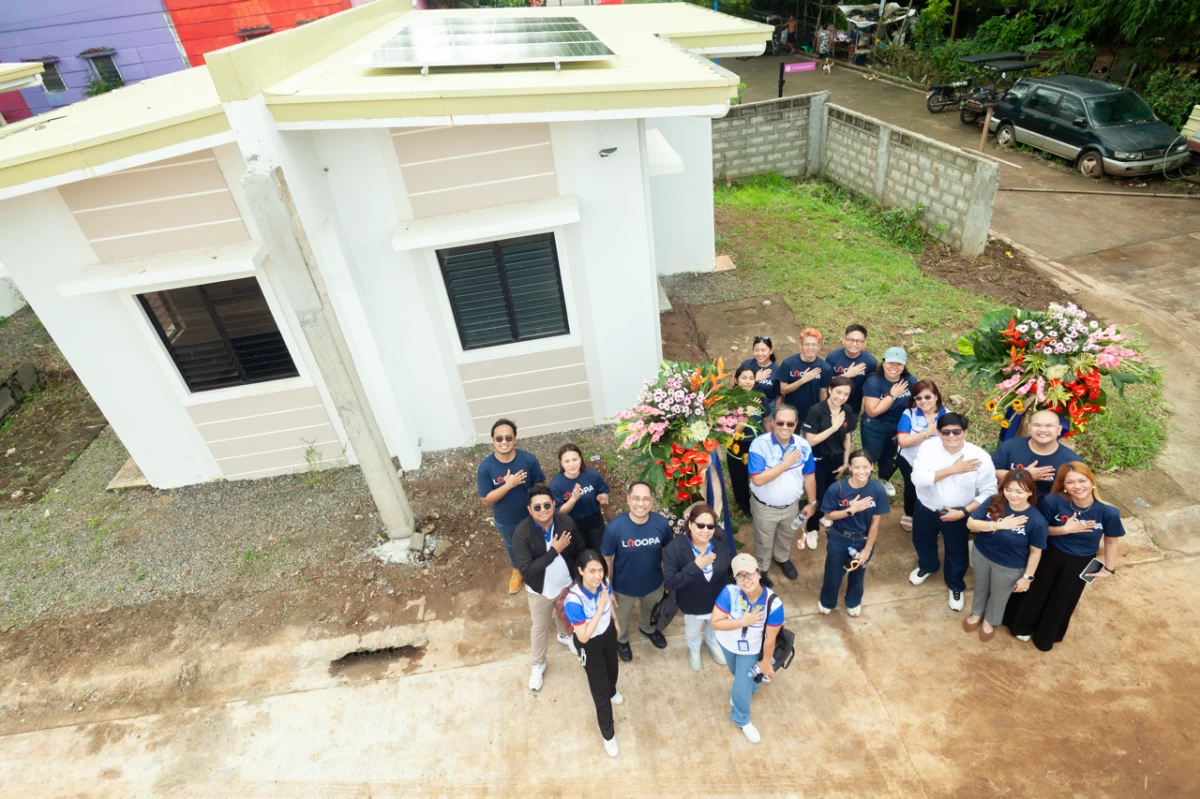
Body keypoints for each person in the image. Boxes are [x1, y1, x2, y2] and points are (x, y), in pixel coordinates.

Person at [1004, 462, 1125, 652]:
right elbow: (1037, 532)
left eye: (1082, 480)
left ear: (1092, 482)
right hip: (1051, 554)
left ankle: (1046, 636)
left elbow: (1111, 541)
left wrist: (1109, 568)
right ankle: (1021, 626)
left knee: (1064, 599)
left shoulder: (1109, 512)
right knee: (1037, 592)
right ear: (1064, 485)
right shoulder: (1053, 502)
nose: (1077, 486)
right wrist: (1064, 530)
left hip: (1083, 561)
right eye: (1070, 482)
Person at [909, 413, 998, 612]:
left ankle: (955, 584)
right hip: (926, 508)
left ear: (965, 432)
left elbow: (989, 492)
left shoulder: (980, 457)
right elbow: (918, 479)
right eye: (945, 432)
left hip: (959, 513)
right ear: (939, 433)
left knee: (957, 551)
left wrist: (964, 511)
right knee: (922, 540)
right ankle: (927, 566)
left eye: (956, 431)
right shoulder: (928, 448)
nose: (951, 436)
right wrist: (952, 469)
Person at [964, 470, 1047, 642]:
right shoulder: (994, 501)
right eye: (1009, 489)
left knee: (1000, 594)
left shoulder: (1036, 520)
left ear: (1030, 492)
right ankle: (977, 612)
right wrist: (999, 525)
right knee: (981, 586)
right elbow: (971, 523)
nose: (1013, 495)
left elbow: (1035, 551)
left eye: (1020, 491)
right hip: (982, 553)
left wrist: (1028, 577)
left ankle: (990, 620)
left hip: (1010, 565)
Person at [513, 486, 582, 691]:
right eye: (537, 507)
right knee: (540, 628)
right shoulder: (521, 534)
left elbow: (579, 551)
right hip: (540, 591)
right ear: (529, 509)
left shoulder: (566, 522)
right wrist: (554, 551)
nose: (543, 509)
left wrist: (579, 580)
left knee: (565, 616)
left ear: (553, 504)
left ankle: (566, 637)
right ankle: (538, 664)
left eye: (546, 505)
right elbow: (528, 571)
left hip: (567, 585)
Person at [711, 553, 784, 744]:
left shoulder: (773, 604)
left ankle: (741, 718)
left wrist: (766, 662)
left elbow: (770, 639)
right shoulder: (729, 592)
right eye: (740, 576)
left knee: (741, 685)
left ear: (759, 573)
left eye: (750, 574)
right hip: (727, 643)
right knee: (737, 673)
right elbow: (715, 623)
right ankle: (754, 683)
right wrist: (743, 621)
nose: (746, 579)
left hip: (751, 650)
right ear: (734, 578)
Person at [600, 482, 673, 661]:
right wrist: (607, 588)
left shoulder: (661, 524)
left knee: (649, 610)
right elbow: (607, 560)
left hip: (653, 583)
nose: (641, 504)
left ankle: (647, 628)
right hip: (623, 587)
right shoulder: (615, 528)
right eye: (636, 498)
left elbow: (667, 552)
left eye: (646, 499)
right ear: (628, 499)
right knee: (622, 618)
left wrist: (669, 577)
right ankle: (622, 640)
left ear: (652, 501)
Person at [563, 549, 623, 758]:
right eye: (591, 571)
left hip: (606, 633)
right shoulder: (573, 601)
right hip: (589, 643)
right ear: (580, 571)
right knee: (599, 691)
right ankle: (608, 734)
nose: (597, 576)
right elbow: (584, 636)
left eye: (600, 570)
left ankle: (613, 690)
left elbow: (608, 600)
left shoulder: (603, 582)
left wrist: (614, 621)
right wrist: (599, 609)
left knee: (613, 669)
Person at [747, 405, 818, 578]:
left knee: (786, 536)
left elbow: (809, 476)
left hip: (791, 506)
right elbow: (758, 479)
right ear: (772, 423)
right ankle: (762, 568)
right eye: (780, 423)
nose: (785, 427)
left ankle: (782, 558)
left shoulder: (803, 445)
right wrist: (785, 464)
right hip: (765, 508)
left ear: (795, 425)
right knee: (763, 541)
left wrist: (812, 503)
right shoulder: (759, 445)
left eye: (789, 423)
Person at [817, 449, 889, 616]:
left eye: (865, 467)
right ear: (850, 467)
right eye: (857, 467)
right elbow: (828, 514)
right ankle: (827, 600)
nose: (861, 471)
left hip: (863, 539)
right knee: (833, 572)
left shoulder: (877, 491)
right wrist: (850, 510)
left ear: (872, 467)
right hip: (839, 538)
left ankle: (853, 600)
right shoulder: (837, 489)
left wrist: (867, 549)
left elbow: (875, 523)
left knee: (859, 571)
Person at [477, 418, 546, 593]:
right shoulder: (486, 468)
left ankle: (542, 568)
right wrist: (509, 485)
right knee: (513, 545)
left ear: (515, 439)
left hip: (533, 516)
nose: (504, 442)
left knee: (538, 541)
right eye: (499, 438)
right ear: (492, 440)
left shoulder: (528, 460)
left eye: (508, 438)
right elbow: (485, 500)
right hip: (506, 520)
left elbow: (541, 485)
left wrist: (539, 508)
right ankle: (519, 570)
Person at [663, 504, 734, 671]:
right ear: (690, 524)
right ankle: (694, 648)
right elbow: (670, 582)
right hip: (693, 602)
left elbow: (729, 562)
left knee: (714, 625)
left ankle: (712, 642)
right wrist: (695, 566)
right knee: (693, 630)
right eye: (700, 525)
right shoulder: (674, 548)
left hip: (718, 599)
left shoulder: (720, 538)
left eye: (710, 526)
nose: (706, 530)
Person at [803, 375, 857, 534]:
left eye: (846, 394)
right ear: (830, 389)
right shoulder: (816, 411)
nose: (841, 397)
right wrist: (833, 428)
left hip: (837, 460)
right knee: (816, 496)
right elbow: (810, 441)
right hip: (818, 460)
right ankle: (811, 529)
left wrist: (846, 462)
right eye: (838, 392)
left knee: (830, 493)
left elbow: (847, 437)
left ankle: (823, 517)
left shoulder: (847, 410)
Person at [861, 347, 917, 499]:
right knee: (871, 455)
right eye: (891, 362)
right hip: (875, 425)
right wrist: (892, 395)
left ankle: (883, 479)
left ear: (904, 366)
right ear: (884, 362)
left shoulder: (910, 381)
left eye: (899, 364)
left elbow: (914, 404)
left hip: (898, 425)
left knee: (890, 456)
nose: (894, 367)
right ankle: (863, 484)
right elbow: (872, 411)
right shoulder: (874, 382)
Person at [894, 380, 947, 532]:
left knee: (934, 487)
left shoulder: (947, 415)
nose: (923, 401)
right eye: (918, 398)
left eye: (927, 397)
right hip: (909, 460)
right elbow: (903, 442)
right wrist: (927, 433)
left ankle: (931, 516)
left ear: (936, 396)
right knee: (911, 487)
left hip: (936, 462)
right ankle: (909, 513)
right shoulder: (909, 413)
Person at [992, 409, 1080, 500]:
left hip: (1047, 510)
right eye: (1037, 425)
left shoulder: (1071, 460)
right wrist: (1024, 475)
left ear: (1059, 430)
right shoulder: (1009, 447)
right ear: (1029, 428)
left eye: (1049, 426)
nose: (1042, 430)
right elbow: (992, 472)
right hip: (1008, 502)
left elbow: (1078, 490)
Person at [549, 444, 611, 552]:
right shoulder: (556, 484)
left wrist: (603, 496)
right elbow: (558, 512)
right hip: (572, 525)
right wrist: (573, 499)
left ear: (580, 459)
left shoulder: (592, 474)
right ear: (561, 463)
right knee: (581, 555)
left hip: (595, 520)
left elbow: (603, 490)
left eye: (574, 459)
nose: (571, 464)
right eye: (567, 461)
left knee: (600, 551)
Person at [727, 366, 770, 519]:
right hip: (738, 444)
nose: (748, 381)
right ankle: (744, 506)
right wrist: (747, 414)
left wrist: (770, 439)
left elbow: (765, 420)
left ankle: (761, 502)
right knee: (739, 477)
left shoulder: (759, 396)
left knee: (760, 474)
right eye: (744, 378)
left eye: (751, 378)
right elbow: (732, 433)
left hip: (758, 444)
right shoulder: (730, 401)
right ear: (736, 380)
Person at [778, 328, 833, 427]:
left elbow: (823, 392)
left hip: (812, 414)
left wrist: (823, 414)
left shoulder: (825, 368)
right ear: (800, 345)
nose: (810, 348)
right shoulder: (788, 363)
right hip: (790, 413)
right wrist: (803, 380)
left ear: (819, 346)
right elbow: (783, 390)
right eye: (807, 344)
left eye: (814, 345)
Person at [824, 324, 877, 415]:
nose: (854, 344)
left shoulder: (870, 362)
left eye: (859, 341)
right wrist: (847, 375)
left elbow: (872, 389)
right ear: (844, 339)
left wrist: (865, 409)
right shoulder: (833, 357)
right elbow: (824, 383)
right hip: (830, 407)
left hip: (853, 409)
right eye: (850, 339)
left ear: (865, 343)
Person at [740, 335, 780, 414]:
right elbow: (737, 386)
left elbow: (779, 396)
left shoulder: (777, 370)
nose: (760, 353)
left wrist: (776, 414)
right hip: (745, 405)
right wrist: (755, 379)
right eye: (756, 350)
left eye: (763, 350)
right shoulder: (746, 364)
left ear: (771, 351)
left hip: (768, 408)